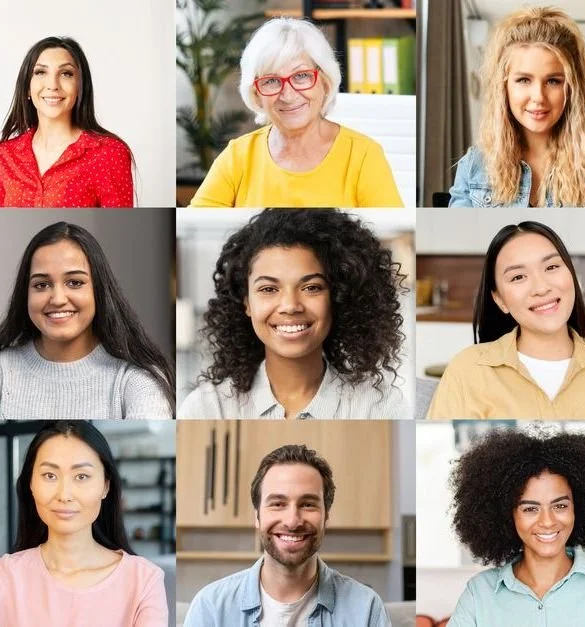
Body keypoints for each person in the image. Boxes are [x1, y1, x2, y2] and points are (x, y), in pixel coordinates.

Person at [179, 209, 408, 419]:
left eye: (311, 287)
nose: (290, 305)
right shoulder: (207, 409)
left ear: (337, 297)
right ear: (246, 303)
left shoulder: (379, 406)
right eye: (268, 289)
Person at [0, 421, 168, 627]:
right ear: (31, 483)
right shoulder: (2, 575)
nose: (64, 494)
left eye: (81, 476)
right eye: (50, 475)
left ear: (105, 486)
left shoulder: (144, 580)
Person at [428, 221, 585, 419]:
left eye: (552, 267)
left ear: (571, 275)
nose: (541, 287)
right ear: (500, 300)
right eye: (518, 277)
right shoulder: (467, 370)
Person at [0, 221, 173, 419]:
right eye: (42, 285)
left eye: (74, 282)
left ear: (99, 289)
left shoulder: (136, 378)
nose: (58, 299)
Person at [188, 18, 402, 208]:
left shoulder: (364, 155)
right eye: (271, 81)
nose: (288, 95)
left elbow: (392, 240)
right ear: (256, 93)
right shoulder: (238, 157)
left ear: (324, 81)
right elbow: (194, 228)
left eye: (301, 76)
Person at [447, 429, 585, 626]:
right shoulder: (479, 593)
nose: (547, 521)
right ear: (508, 515)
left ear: (577, 508)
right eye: (530, 509)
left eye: (560, 506)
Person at [184, 444, 391, 626]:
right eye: (277, 504)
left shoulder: (366, 610)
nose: (293, 521)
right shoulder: (210, 608)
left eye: (308, 504)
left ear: (326, 516)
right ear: (257, 516)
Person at [448, 7, 585, 208]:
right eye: (524, 80)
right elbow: (458, 239)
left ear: (572, 88)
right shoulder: (474, 166)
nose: (538, 97)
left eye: (553, 81)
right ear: (504, 87)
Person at [0, 36, 134, 208]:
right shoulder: (7, 154)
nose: (53, 85)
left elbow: (118, 229)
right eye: (40, 72)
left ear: (80, 86)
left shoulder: (109, 153)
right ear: (27, 87)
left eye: (66, 74)